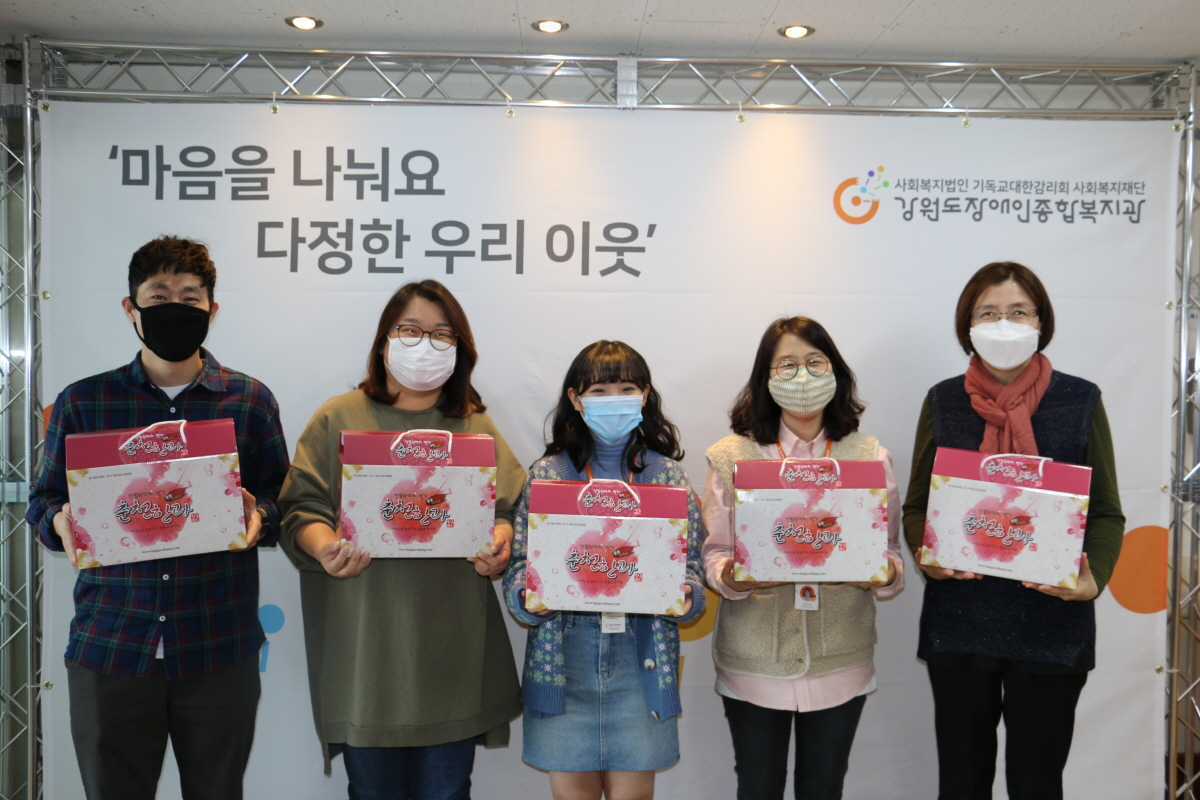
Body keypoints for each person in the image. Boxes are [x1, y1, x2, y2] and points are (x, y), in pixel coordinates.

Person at [27, 235, 289, 800]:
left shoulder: (249, 401)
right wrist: (58, 521)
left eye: (190, 298)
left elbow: (279, 497)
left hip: (218, 646)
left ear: (212, 310)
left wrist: (260, 516)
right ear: (131, 307)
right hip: (112, 646)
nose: (175, 308)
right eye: (159, 295)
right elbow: (43, 498)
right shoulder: (84, 403)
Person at [279, 279, 524, 800]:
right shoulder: (338, 417)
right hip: (366, 652)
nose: (424, 345)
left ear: (459, 348)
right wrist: (324, 547)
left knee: (448, 791)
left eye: (442, 334)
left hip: (452, 650)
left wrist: (500, 544)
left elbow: (506, 509)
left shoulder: (473, 425)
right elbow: (301, 506)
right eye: (410, 329)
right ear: (384, 340)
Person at [901, 262, 1124, 800]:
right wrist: (928, 554)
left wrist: (1093, 579)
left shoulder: (1081, 400)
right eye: (989, 313)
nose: (1004, 324)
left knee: (1037, 784)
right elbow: (917, 506)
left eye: (1019, 311)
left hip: (1052, 623)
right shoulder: (943, 400)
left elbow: (1106, 512)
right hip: (961, 621)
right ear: (968, 325)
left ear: (1041, 321)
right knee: (961, 783)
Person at [701, 316, 903, 800]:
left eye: (815, 362)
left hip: (841, 662)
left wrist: (881, 574)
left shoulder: (869, 456)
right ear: (765, 378)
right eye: (787, 365)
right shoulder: (731, 456)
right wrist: (734, 577)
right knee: (758, 787)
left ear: (836, 373)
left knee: (824, 788)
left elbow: (891, 555)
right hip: (753, 664)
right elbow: (715, 555)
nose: (803, 376)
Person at [503, 340, 706, 800]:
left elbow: (691, 568)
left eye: (627, 388)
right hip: (564, 658)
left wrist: (686, 595)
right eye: (599, 390)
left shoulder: (668, 477)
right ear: (576, 400)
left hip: (640, 661)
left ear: (645, 394)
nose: (614, 399)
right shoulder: (547, 476)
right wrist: (526, 596)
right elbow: (519, 566)